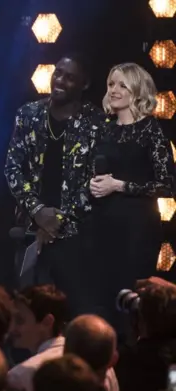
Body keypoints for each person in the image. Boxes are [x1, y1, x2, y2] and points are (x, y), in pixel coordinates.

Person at [4, 54, 107, 316]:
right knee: (29, 311)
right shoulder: (28, 114)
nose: (59, 80)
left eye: (69, 77)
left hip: (77, 235)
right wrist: (37, 211)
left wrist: (57, 221)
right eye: (58, 73)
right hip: (30, 230)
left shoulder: (96, 123)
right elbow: (12, 167)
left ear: (84, 84)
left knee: (78, 310)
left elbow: (96, 181)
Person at [88, 63, 175, 333]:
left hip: (136, 228)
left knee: (128, 295)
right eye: (111, 84)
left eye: (121, 85)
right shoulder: (104, 129)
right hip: (102, 224)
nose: (113, 90)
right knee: (100, 294)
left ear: (137, 92)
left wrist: (120, 185)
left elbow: (167, 184)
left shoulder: (151, 131)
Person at [7, 284, 69, 391]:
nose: (11, 328)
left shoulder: (19, 377)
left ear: (47, 322)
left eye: (20, 320)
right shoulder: (88, 360)